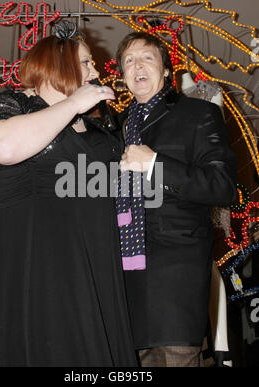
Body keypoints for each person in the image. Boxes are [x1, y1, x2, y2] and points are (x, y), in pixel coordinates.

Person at [0, 21, 137, 367]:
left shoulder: (98, 129)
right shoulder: (13, 103)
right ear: (60, 63)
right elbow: (3, 147)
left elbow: (126, 192)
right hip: (34, 268)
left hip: (93, 271)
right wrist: (73, 103)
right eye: (87, 62)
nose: (95, 70)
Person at [115, 31, 237, 367]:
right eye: (128, 61)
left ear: (167, 70)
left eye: (146, 57)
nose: (137, 65)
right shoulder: (115, 128)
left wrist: (155, 164)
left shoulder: (198, 114)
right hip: (123, 284)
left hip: (174, 281)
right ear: (123, 76)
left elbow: (222, 186)